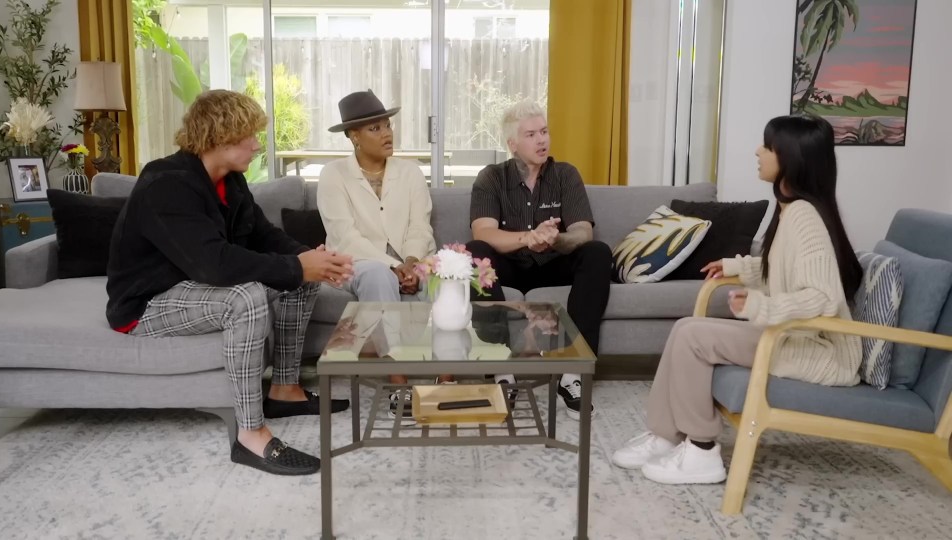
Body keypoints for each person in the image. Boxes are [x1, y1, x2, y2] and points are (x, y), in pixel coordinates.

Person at [106, 90, 354, 476]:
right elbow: (214, 265)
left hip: (194, 284)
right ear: (218, 138)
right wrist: (296, 265)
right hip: (148, 301)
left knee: (300, 280)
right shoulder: (165, 183)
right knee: (246, 296)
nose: (257, 144)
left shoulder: (231, 181)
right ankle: (251, 435)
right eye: (248, 136)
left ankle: (284, 390)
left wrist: (313, 260)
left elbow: (264, 235)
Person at [611, 114, 863, 485]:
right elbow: (783, 266)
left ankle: (700, 450)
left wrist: (763, 307)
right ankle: (666, 436)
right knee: (687, 330)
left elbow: (821, 296)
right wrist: (738, 266)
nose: (758, 152)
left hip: (817, 350)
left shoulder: (805, 217)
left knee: (692, 335)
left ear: (789, 157)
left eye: (767, 145)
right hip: (796, 338)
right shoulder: (793, 210)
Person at [466, 100, 612, 420]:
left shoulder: (565, 174)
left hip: (553, 264)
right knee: (474, 252)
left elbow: (582, 232)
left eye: (544, 132)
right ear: (513, 144)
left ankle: (574, 373)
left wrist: (556, 239)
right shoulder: (491, 177)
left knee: (598, 252)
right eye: (531, 134)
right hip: (511, 268)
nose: (542, 140)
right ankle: (501, 371)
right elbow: (484, 230)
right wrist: (526, 237)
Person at [318, 90, 443, 421]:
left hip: (411, 260)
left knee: (451, 276)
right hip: (356, 263)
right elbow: (346, 237)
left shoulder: (411, 172)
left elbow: (420, 226)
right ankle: (397, 381)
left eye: (387, 125)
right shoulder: (333, 175)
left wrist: (413, 262)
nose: (387, 133)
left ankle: (445, 379)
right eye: (375, 129)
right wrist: (394, 267)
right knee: (377, 275)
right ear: (353, 136)